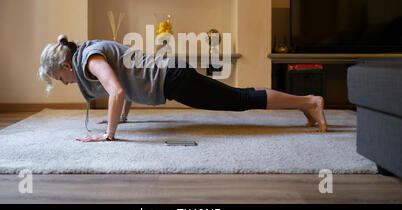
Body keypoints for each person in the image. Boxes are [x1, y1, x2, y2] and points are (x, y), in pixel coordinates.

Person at [38, 34, 327, 142]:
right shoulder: (90, 50)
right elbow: (126, 79)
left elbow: (117, 91)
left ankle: (309, 101)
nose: (65, 82)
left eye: (60, 78)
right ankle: (306, 103)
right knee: (239, 97)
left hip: (175, 79)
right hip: (174, 76)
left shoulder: (89, 60)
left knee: (240, 98)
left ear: (65, 66)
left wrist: (109, 134)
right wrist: (122, 117)